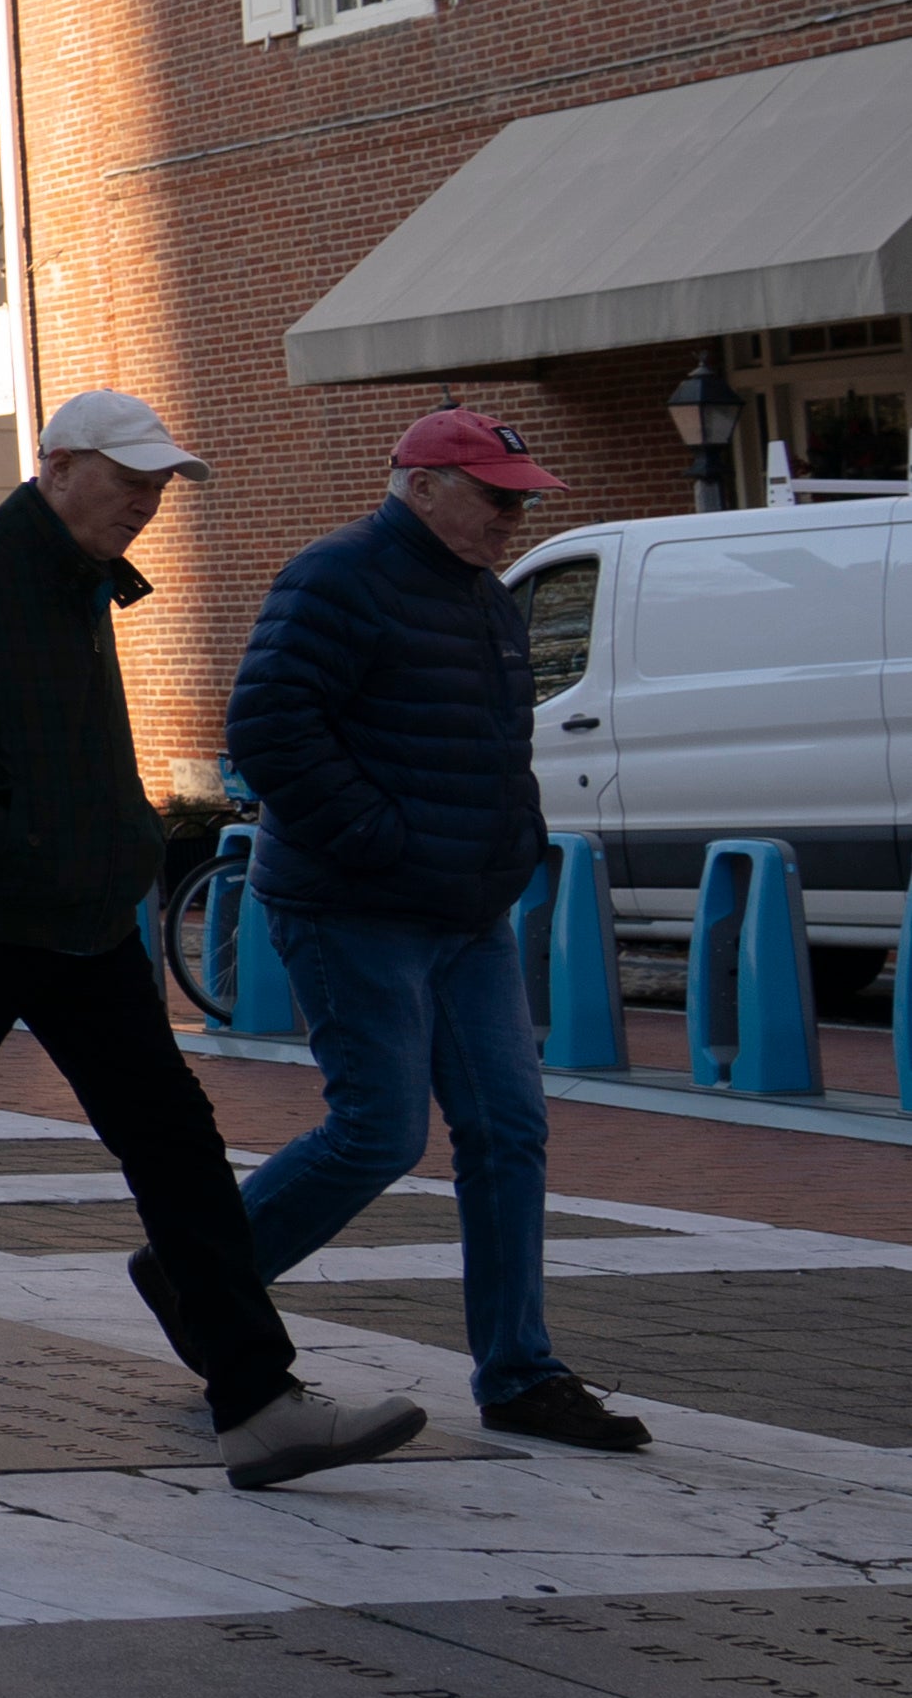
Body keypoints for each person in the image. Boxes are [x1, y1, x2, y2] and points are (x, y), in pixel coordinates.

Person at [0, 386, 428, 1489]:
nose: (145, 501)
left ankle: (258, 1400)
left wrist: (115, 835)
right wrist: (0, 831)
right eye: (127, 477)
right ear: (52, 464)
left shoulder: (78, 578)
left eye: (156, 484)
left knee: (174, 1145)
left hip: (79, 918)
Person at [221, 410, 650, 1451]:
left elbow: (495, 747)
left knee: (507, 1129)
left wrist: (508, 846)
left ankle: (517, 1374)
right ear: (419, 484)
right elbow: (265, 727)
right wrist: (379, 839)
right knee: (377, 1131)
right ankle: (204, 1278)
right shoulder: (336, 576)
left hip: (464, 910)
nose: (512, 515)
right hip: (351, 902)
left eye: (519, 499)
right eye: (493, 495)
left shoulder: (483, 600)